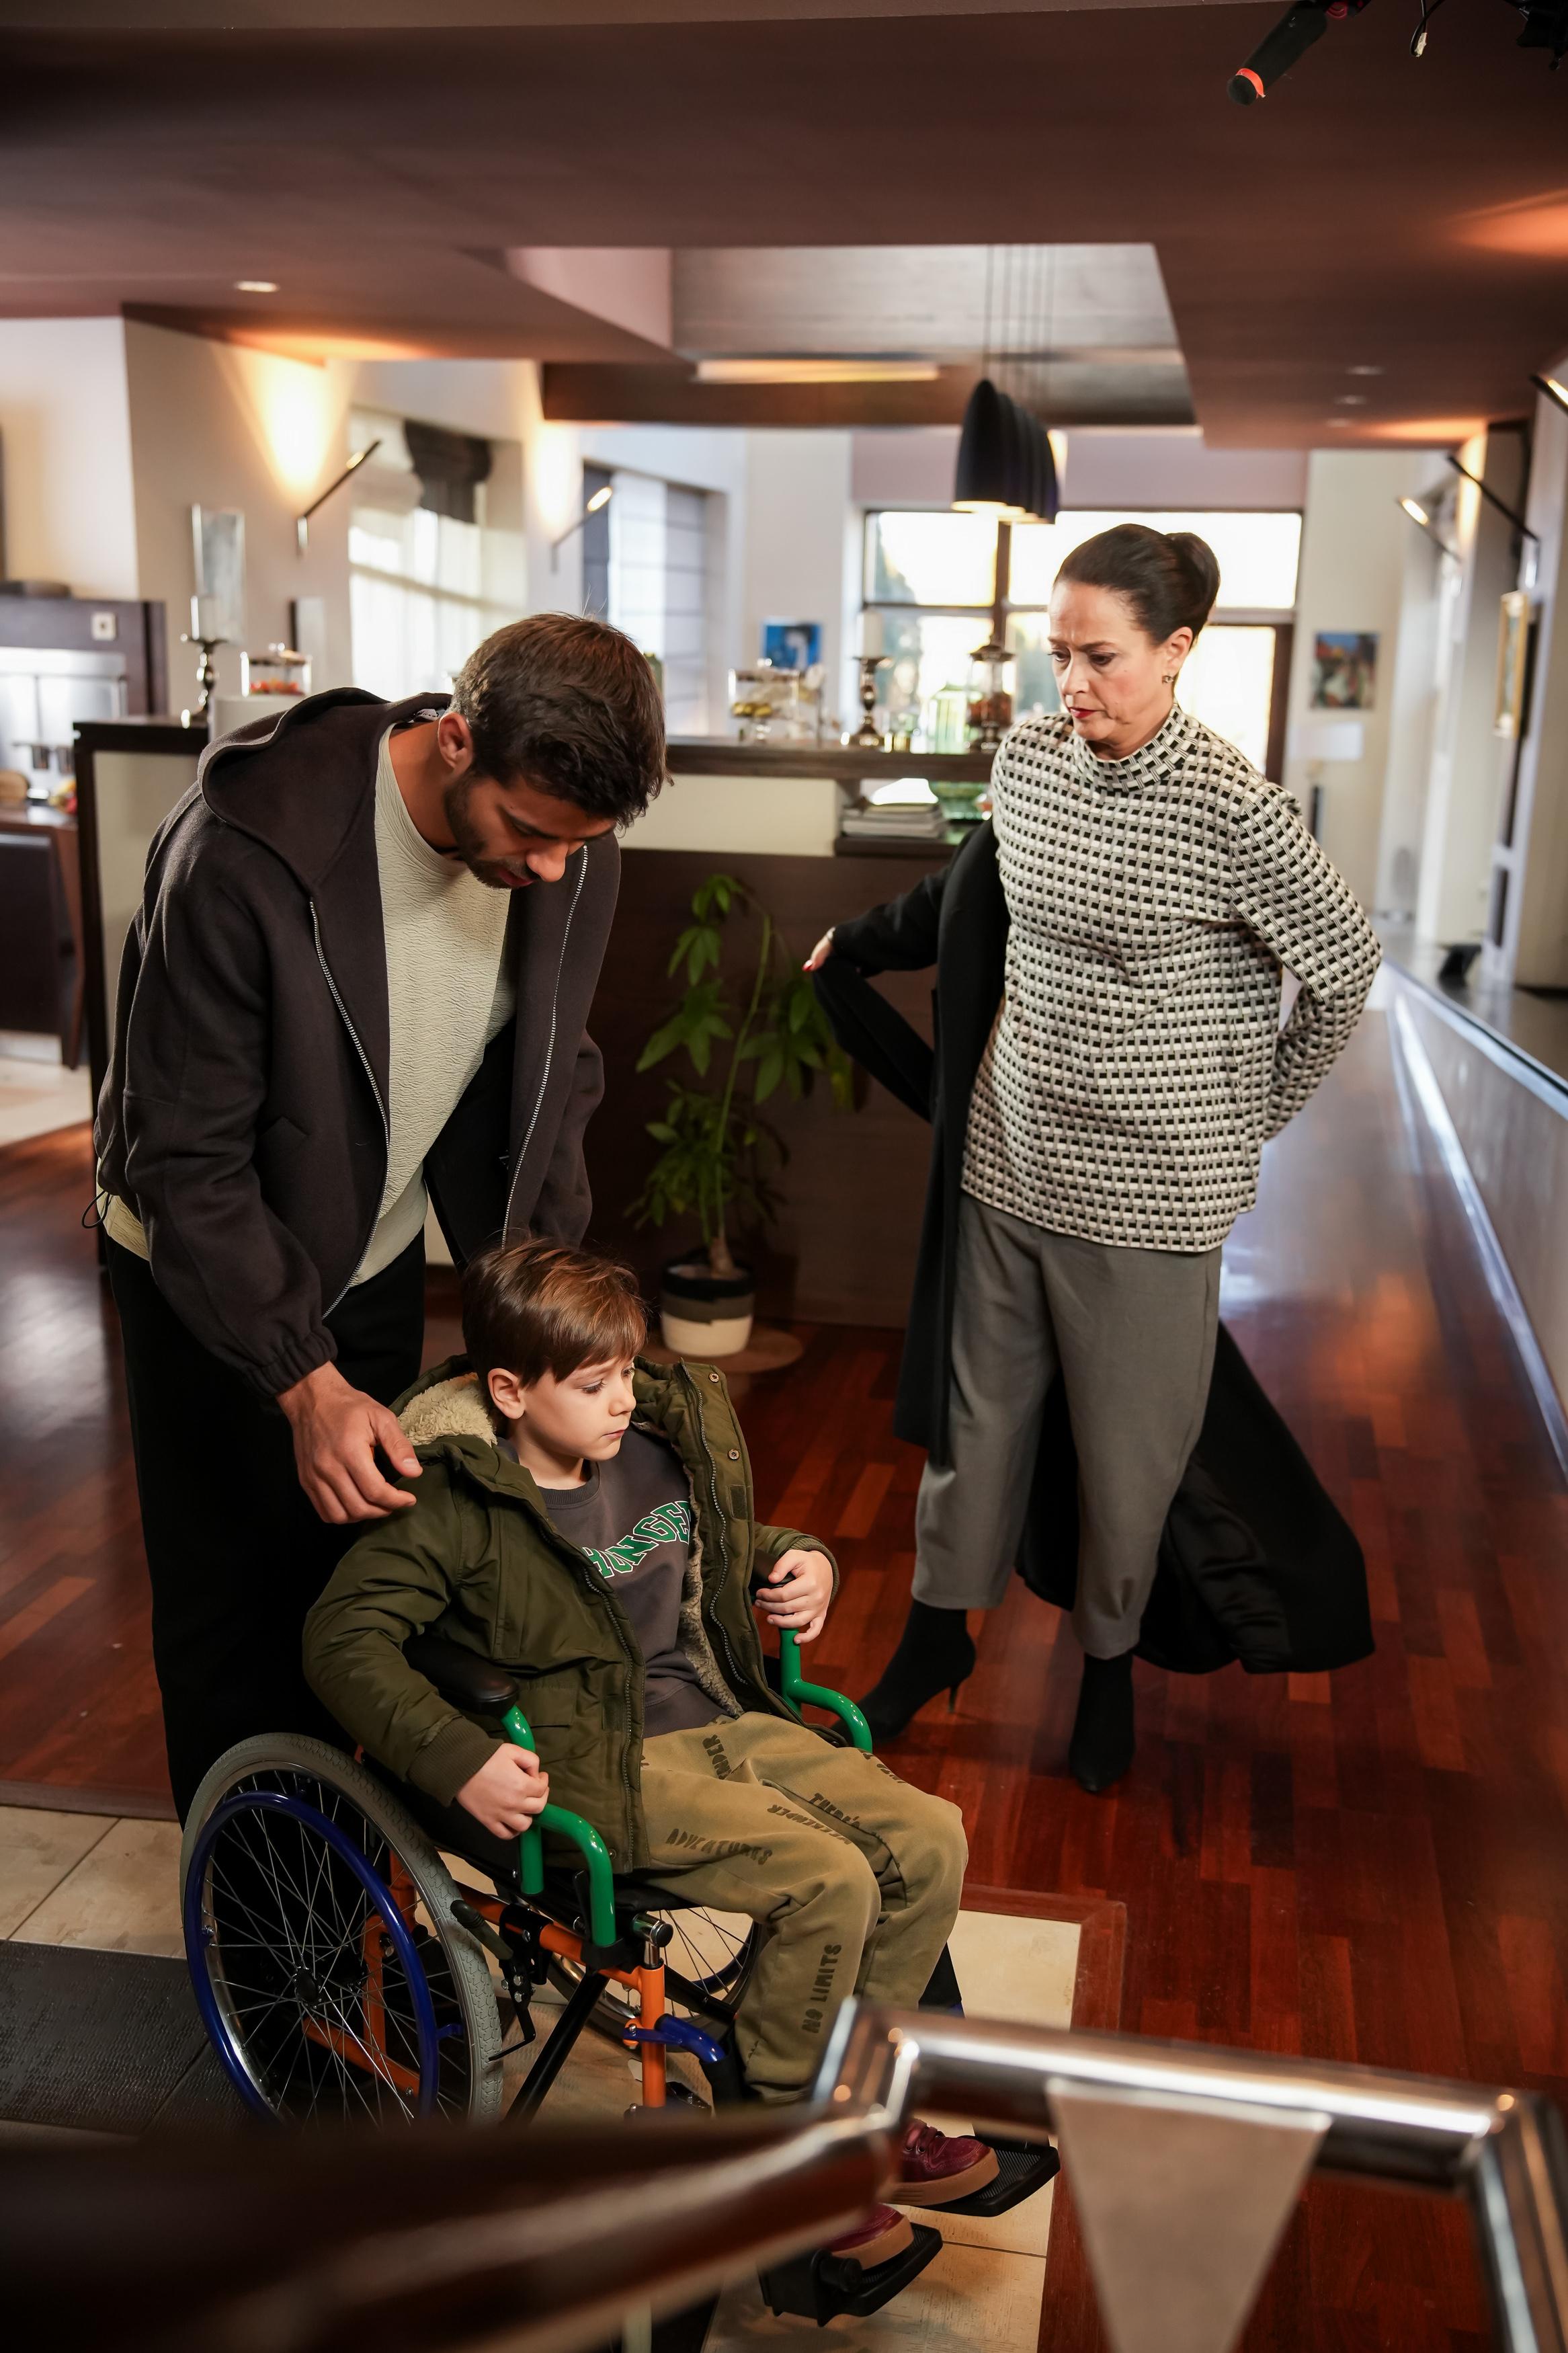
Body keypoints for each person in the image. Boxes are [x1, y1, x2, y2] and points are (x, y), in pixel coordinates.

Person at [807, 525, 1381, 1792]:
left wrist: (1247, 1115)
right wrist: (855, 943)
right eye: (1057, 653)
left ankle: (1106, 1667)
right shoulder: (1025, 762)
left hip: (1149, 1199)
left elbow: (1344, 968)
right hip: (1008, 1162)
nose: (1071, 682)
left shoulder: (1233, 809)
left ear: (1175, 652)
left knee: (1129, 1466)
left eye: (1100, 657)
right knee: (974, 1429)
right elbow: (963, 902)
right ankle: (934, 1639)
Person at [304, 1238, 994, 2270]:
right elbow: (341, 1639)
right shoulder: (456, 1505)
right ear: (509, 1392)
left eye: (627, 1372)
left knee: (932, 1838)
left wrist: (803, 1559)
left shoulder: (654, 1454)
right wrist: (457, 1758)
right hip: (601, 1763)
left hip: (719, 1717)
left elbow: (720, 1542)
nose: (623, 1400)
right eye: (592, 1384)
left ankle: (861, 2111)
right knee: (827, 1878)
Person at [95, 615, 664, 1821]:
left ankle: (340, 1891)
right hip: (207, 1266)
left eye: (578, 844)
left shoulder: (565, 851)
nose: (550, 870)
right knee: (234, 1614)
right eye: (529, 833)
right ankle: (255, 1923)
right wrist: (303, 1386)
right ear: (455, 740)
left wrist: (546, 1319)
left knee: (357, 1584)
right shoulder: (244, 854)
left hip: (371, 1243)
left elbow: (551, 1079)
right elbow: (184, 1164)